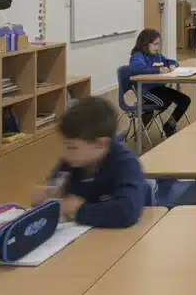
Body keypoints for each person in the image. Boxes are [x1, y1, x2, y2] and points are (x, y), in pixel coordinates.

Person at [33, 97, 145, 228]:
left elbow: (127, 211)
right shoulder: (72, 161)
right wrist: (47, 195)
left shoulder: (125, 164)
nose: (63, 153)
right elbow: (57, 189)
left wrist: (78, 210)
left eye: (72, 147)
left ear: (100, 144)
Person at [127, 29, 190, 137]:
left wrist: (172, 64)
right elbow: (137, 69)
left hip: (159, 89)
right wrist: (158, 70)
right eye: (155, 44)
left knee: (185, 100)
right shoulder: (138, 56)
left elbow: (171, 61)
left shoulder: (157, 56)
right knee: (163, 102)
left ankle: (169, 125)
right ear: (146, 44)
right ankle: (143, 109)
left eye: (158, 44)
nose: (158, 47)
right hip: (147, 90)